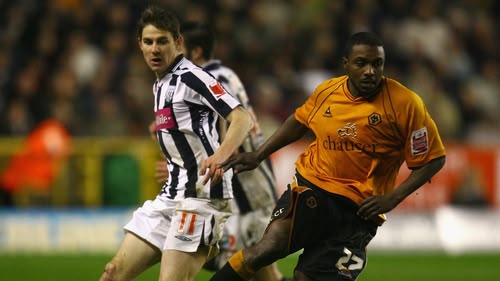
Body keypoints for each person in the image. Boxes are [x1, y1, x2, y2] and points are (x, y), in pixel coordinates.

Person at [210, 31, 446, 281]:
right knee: (266, 249)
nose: (370, 71)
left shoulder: (406, 104)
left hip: (359, 212)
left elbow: (434, 159)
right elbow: (299, 122)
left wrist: (392, 198)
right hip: (313, 189)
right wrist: (258, 155)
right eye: (361, 63)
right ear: (346, 64)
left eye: (377, 64)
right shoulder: (327, 91)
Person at [99, 5, 253, 281]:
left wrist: (221, 154)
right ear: (140, 45)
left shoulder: (193, 76)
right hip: (172, 195)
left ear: (178, 42)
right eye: (148, 42)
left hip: (202, 198)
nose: (154, 49)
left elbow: (241, 118)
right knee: (113, 273)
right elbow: (188, 134)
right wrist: (175, 166)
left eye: (162, 41)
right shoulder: (160, 84)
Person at [151, 21, 290, 281]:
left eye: (179, 49)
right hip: (243, 185)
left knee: (251, 265)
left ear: (196, 53)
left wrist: (191, 165)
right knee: (254, 267)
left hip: (249, 188)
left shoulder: (213, 78)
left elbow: (225, 129)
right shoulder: (221, 76)